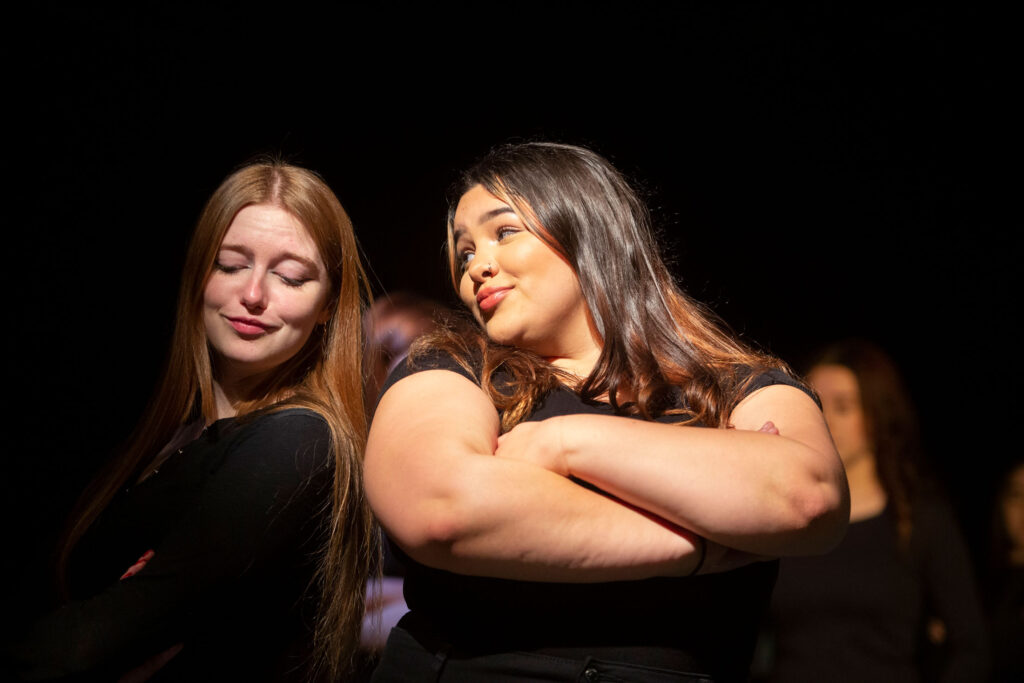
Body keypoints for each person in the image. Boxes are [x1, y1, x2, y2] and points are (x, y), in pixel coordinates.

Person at [363, 142, 850, 682]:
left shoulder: (735, 385)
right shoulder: (454, 367)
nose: (478, 265)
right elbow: (442, 507)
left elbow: (806, 496)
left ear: (587, 229)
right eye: (464, 252)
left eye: (503, 232)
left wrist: (563, 444)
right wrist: (698, 546)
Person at [4, 160, 375, 681]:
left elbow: (94, 641)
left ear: (328, 307)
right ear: (197, 272)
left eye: (291, 276)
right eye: (229, 265)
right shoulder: (173, 429)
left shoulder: (297, 439)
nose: (253, 295)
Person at [764, 339, 989, 682]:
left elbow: (971, 646)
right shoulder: (783, 518)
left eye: (842, 407)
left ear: (877, 415)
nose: (824, 420)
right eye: (814, 405)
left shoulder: (917, 520)